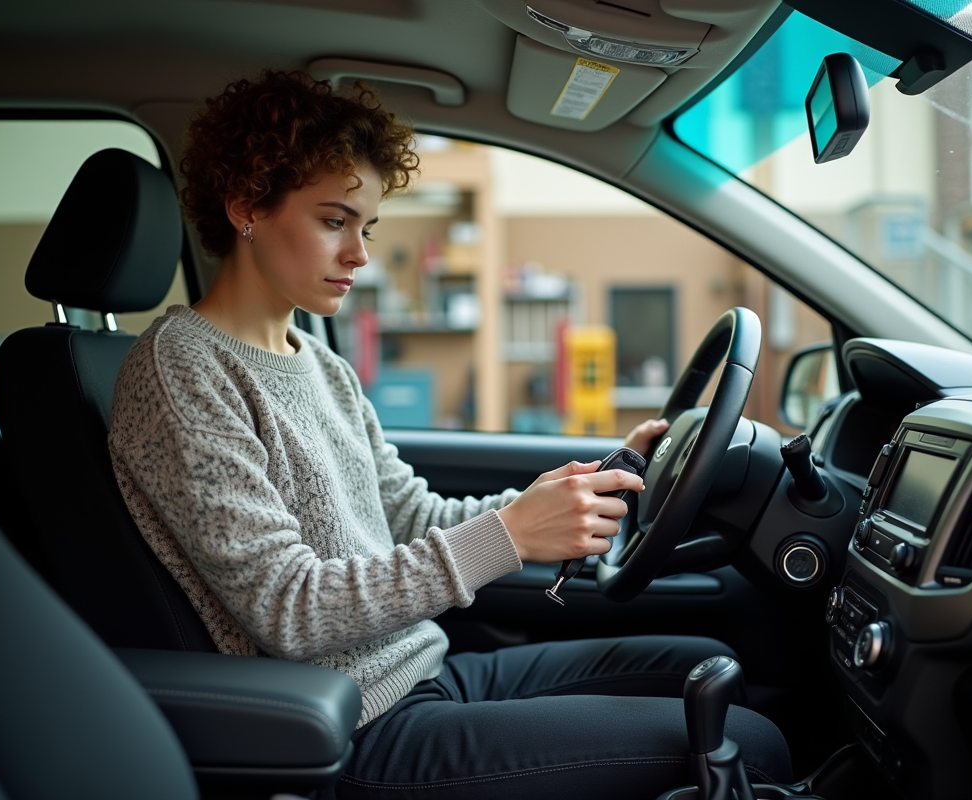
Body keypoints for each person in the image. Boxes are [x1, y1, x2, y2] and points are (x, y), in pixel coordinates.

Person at [108, 70, 791, 799]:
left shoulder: (319, 364)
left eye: (365, 227)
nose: (360, 255)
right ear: (246, 207)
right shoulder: (181, 367)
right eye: (334, 221)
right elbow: (290, 607)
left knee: (710, 662)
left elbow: (411, 518)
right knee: (747, 745)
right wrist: (512, 535)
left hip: (425, 670)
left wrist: (582, 485)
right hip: (351, 728)